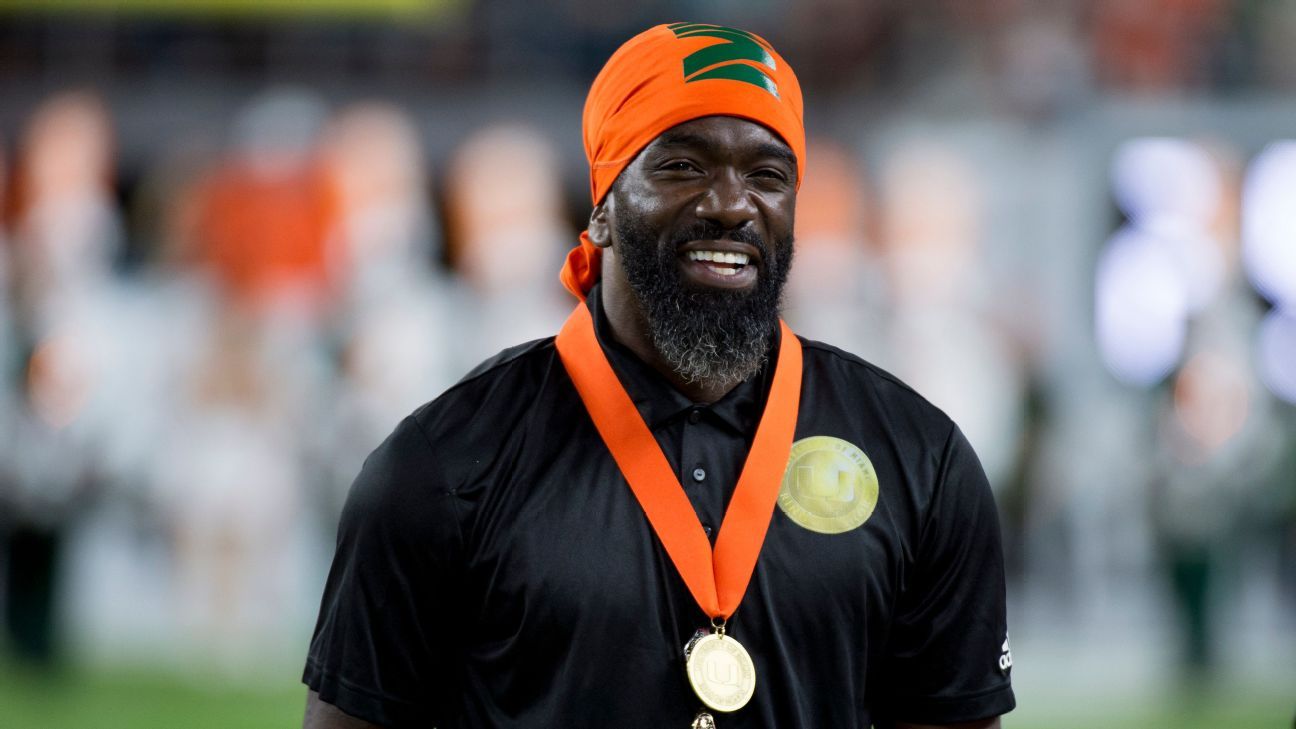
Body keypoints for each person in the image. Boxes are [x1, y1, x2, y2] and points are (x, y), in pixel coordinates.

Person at [303, 22, 1015, 729]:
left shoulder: (921, 458)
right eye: (682, 166)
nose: (732, 204)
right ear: (602, 213)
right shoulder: (443, 465)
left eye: (768, 176)